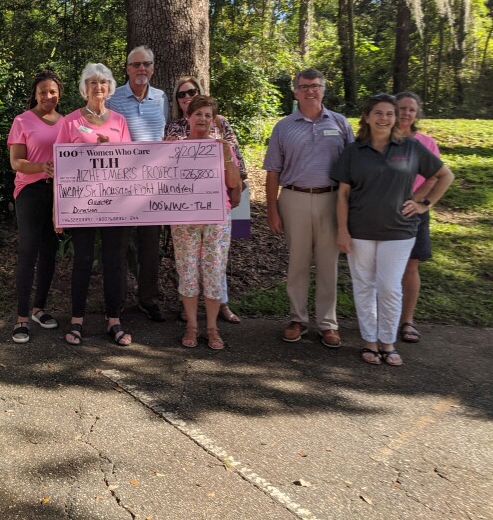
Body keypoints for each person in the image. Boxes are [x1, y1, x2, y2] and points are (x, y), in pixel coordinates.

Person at [333, 95, 453, 366]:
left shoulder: (410, 147)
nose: (383, 118)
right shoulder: (354, 151)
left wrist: (424, 204)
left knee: (389, 287)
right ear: (366, 116)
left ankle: (387, 342)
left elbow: (446, 175)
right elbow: (342, 195)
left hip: (399, 230)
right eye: (378, 113)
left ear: (395, 118)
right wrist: (342, 229)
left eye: (389, 114)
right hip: (360, 229)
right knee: (364, 287)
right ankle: (370, 342)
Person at [263, 69, 354, 348]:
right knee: (298, 262)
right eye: (304, 87)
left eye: (315, 86)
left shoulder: (339, 123)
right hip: (294, 198)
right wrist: (272, 210)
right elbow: (272, 172)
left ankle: (328, 324)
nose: (310, 91)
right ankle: (297, 318)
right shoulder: (284, 127)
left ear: (324, 90)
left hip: (332, 199)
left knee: (328, 263)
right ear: (295, 91)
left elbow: (353, 168)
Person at [55, 63, 133, 346]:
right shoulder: (71, 122)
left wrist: (110, 149)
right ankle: (77, 320)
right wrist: (58, 210)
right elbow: (61, 167)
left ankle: (114, 320)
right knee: (83, 261)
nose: (98, 87)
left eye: (103, 82)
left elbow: (130, 164)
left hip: (115, 204)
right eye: (92, 83)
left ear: (109, 87)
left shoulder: (120, 121)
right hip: (81, 204)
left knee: (115, 262)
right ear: (84, 88)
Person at [165, 75, 247, 324]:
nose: (202, 119)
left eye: (208, 115)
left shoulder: (222, 146)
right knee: (187, 271)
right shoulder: (174, 145)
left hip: (216, 216)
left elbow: (234, 183)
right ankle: (191, 325)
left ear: (214, 120)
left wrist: (226, 155)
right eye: (197, 114)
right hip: (184, 217)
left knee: (213, 270)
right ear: (187, 117)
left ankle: (211, 327)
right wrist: (163, 151)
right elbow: (159, 178)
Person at [105, 45, 169, 322]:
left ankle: (148, 299)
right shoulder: (113, 98)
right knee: (117, 245)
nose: (141, 69)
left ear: (153, 68)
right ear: (127, 69)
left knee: (149, 246)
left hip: (152, 184)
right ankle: (116, 301)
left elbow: (163, 134)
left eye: (147, 64)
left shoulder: (162, 98)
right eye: (136, 65)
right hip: (121, 184)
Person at [7, 70, 64, 343]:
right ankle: (20, 318)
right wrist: (42, 167)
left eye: (52, 91)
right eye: (42, 91)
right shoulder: (22, 120)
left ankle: (39, 309)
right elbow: (16, 162)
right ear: (35, 94)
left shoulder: (67, 123)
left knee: (50, 251)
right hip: (30, 191)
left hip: (59, 194)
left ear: (59, 93)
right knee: (28, 251)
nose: (48, 96)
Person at [394, 92, 441, 343]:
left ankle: (407, 320)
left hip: (414, 213)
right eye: (401, 108)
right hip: (383, 211)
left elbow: (435, 177)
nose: (406, 113)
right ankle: (383, 319)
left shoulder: (426, 143)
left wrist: (418, 202)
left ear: (417, 113)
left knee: (411, 266)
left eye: (411, 109)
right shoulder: (381, 139)